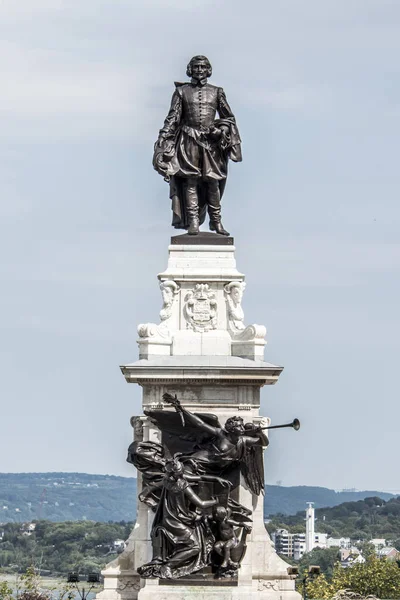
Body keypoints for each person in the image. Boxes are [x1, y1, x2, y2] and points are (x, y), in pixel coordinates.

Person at [153, 55, 242, 236]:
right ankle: (193, 221)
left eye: (202, 67)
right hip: (188, 139)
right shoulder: (181, 91)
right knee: (190, 180)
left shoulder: (217, 92)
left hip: (211, 144)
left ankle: (216, 222)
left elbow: (229, 118)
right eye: (196, 67)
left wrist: (221, 130)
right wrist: (162, 139)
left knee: (212, 181)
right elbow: (172, 118)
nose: (199, 70)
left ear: (208, 70)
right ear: (190, 69)